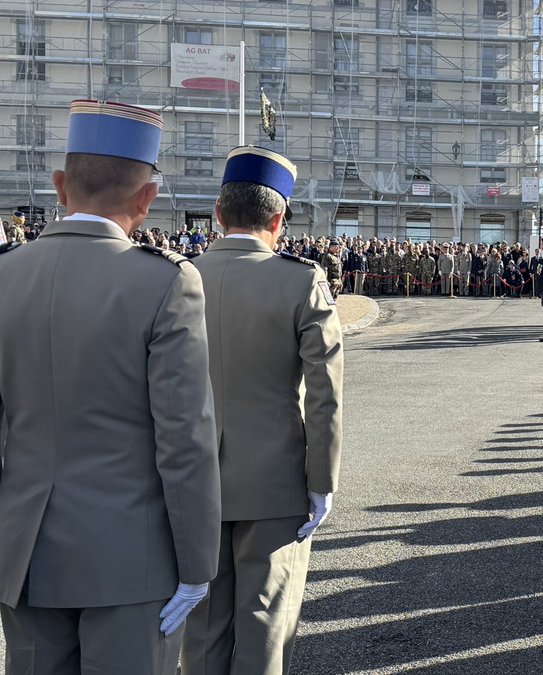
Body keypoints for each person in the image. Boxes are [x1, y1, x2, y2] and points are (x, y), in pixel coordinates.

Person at [0, 99, 221, 672]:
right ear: (147, 199)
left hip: (24, 554)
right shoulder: (165, 282)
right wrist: (198, 566)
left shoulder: (5, 274)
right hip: (130, 560)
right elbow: (185, 438)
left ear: (59, 186)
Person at [183, 145, 343, 675]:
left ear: (217, 213)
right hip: (275, 482)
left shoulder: (177, 276)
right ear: (278, 220)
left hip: (191, 479)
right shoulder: (301, 280)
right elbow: (324, 393)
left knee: (201, 631)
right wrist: (321, 482)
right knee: (265, 628)